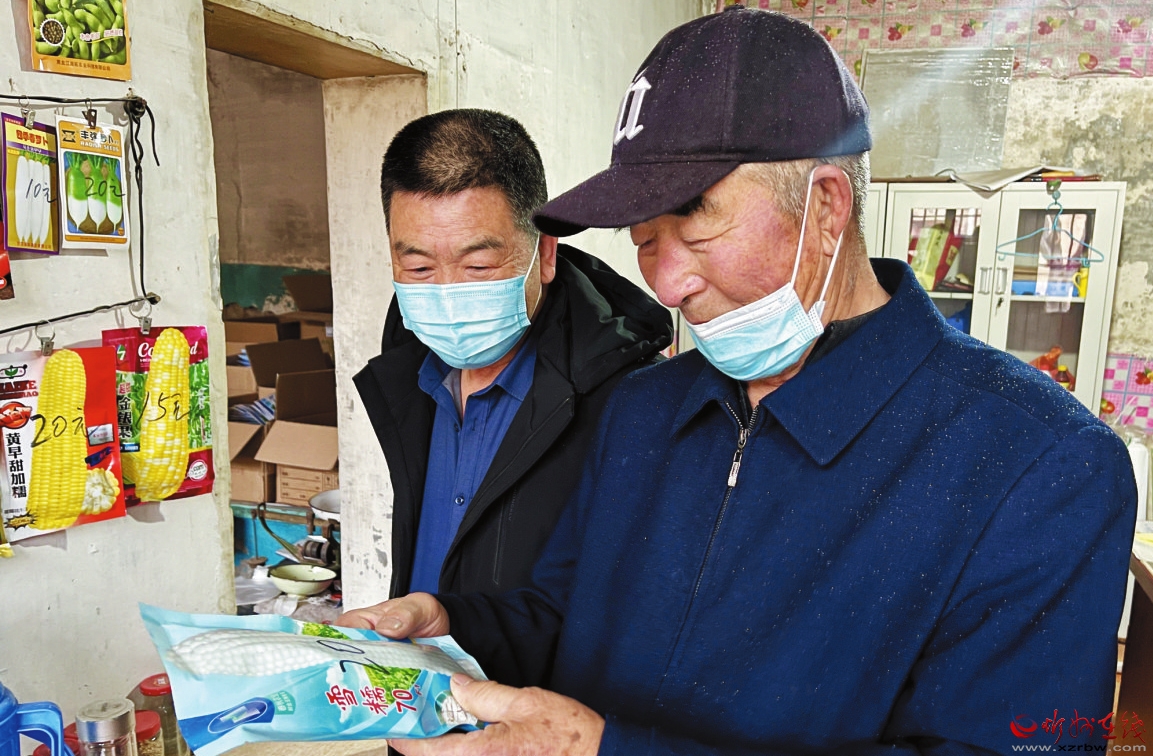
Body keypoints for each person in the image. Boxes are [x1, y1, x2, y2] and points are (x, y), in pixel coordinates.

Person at [341, 10, 1137, 755]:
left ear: (826, 208)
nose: (667, 284)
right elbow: (558, 611)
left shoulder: (1038, 466)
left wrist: (606, 749)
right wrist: (454, 623)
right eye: (644, 239)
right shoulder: (643, 408)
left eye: (695, 227)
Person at [352, 109, 673, 599]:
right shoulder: (408, 363)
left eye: (478, 266)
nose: (447, 294)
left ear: (545, 254)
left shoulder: (633, 402)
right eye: (418, 268)